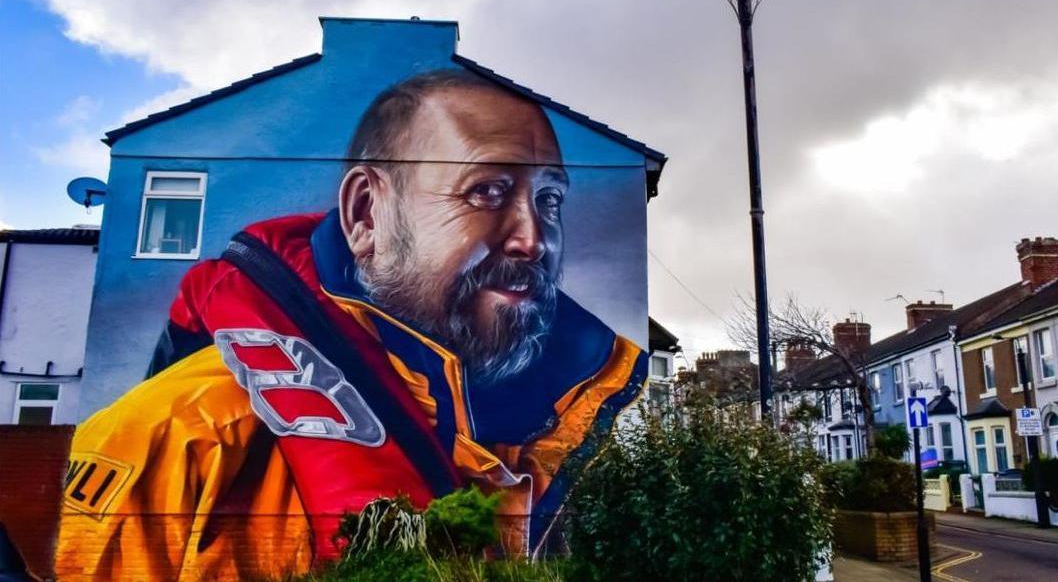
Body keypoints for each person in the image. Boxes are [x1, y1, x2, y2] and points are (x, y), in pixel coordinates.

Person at [55, 70, 648, 581]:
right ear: (366, 214)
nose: (533, 239)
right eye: (487, 191)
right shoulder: (180, 437)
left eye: (549, 201)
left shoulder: (562, 439)